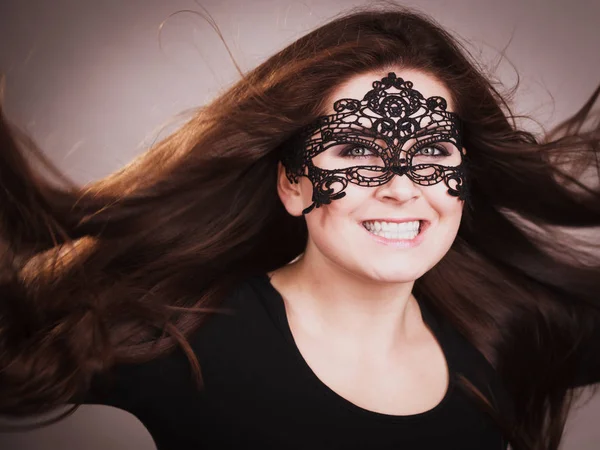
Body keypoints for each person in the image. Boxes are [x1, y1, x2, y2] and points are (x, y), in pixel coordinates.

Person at [1, 5, 599, 450]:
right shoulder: (184, 336)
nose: (400, 187)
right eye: (356, 154)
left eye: (433, 150)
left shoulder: (506, 329)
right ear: (292, 184)